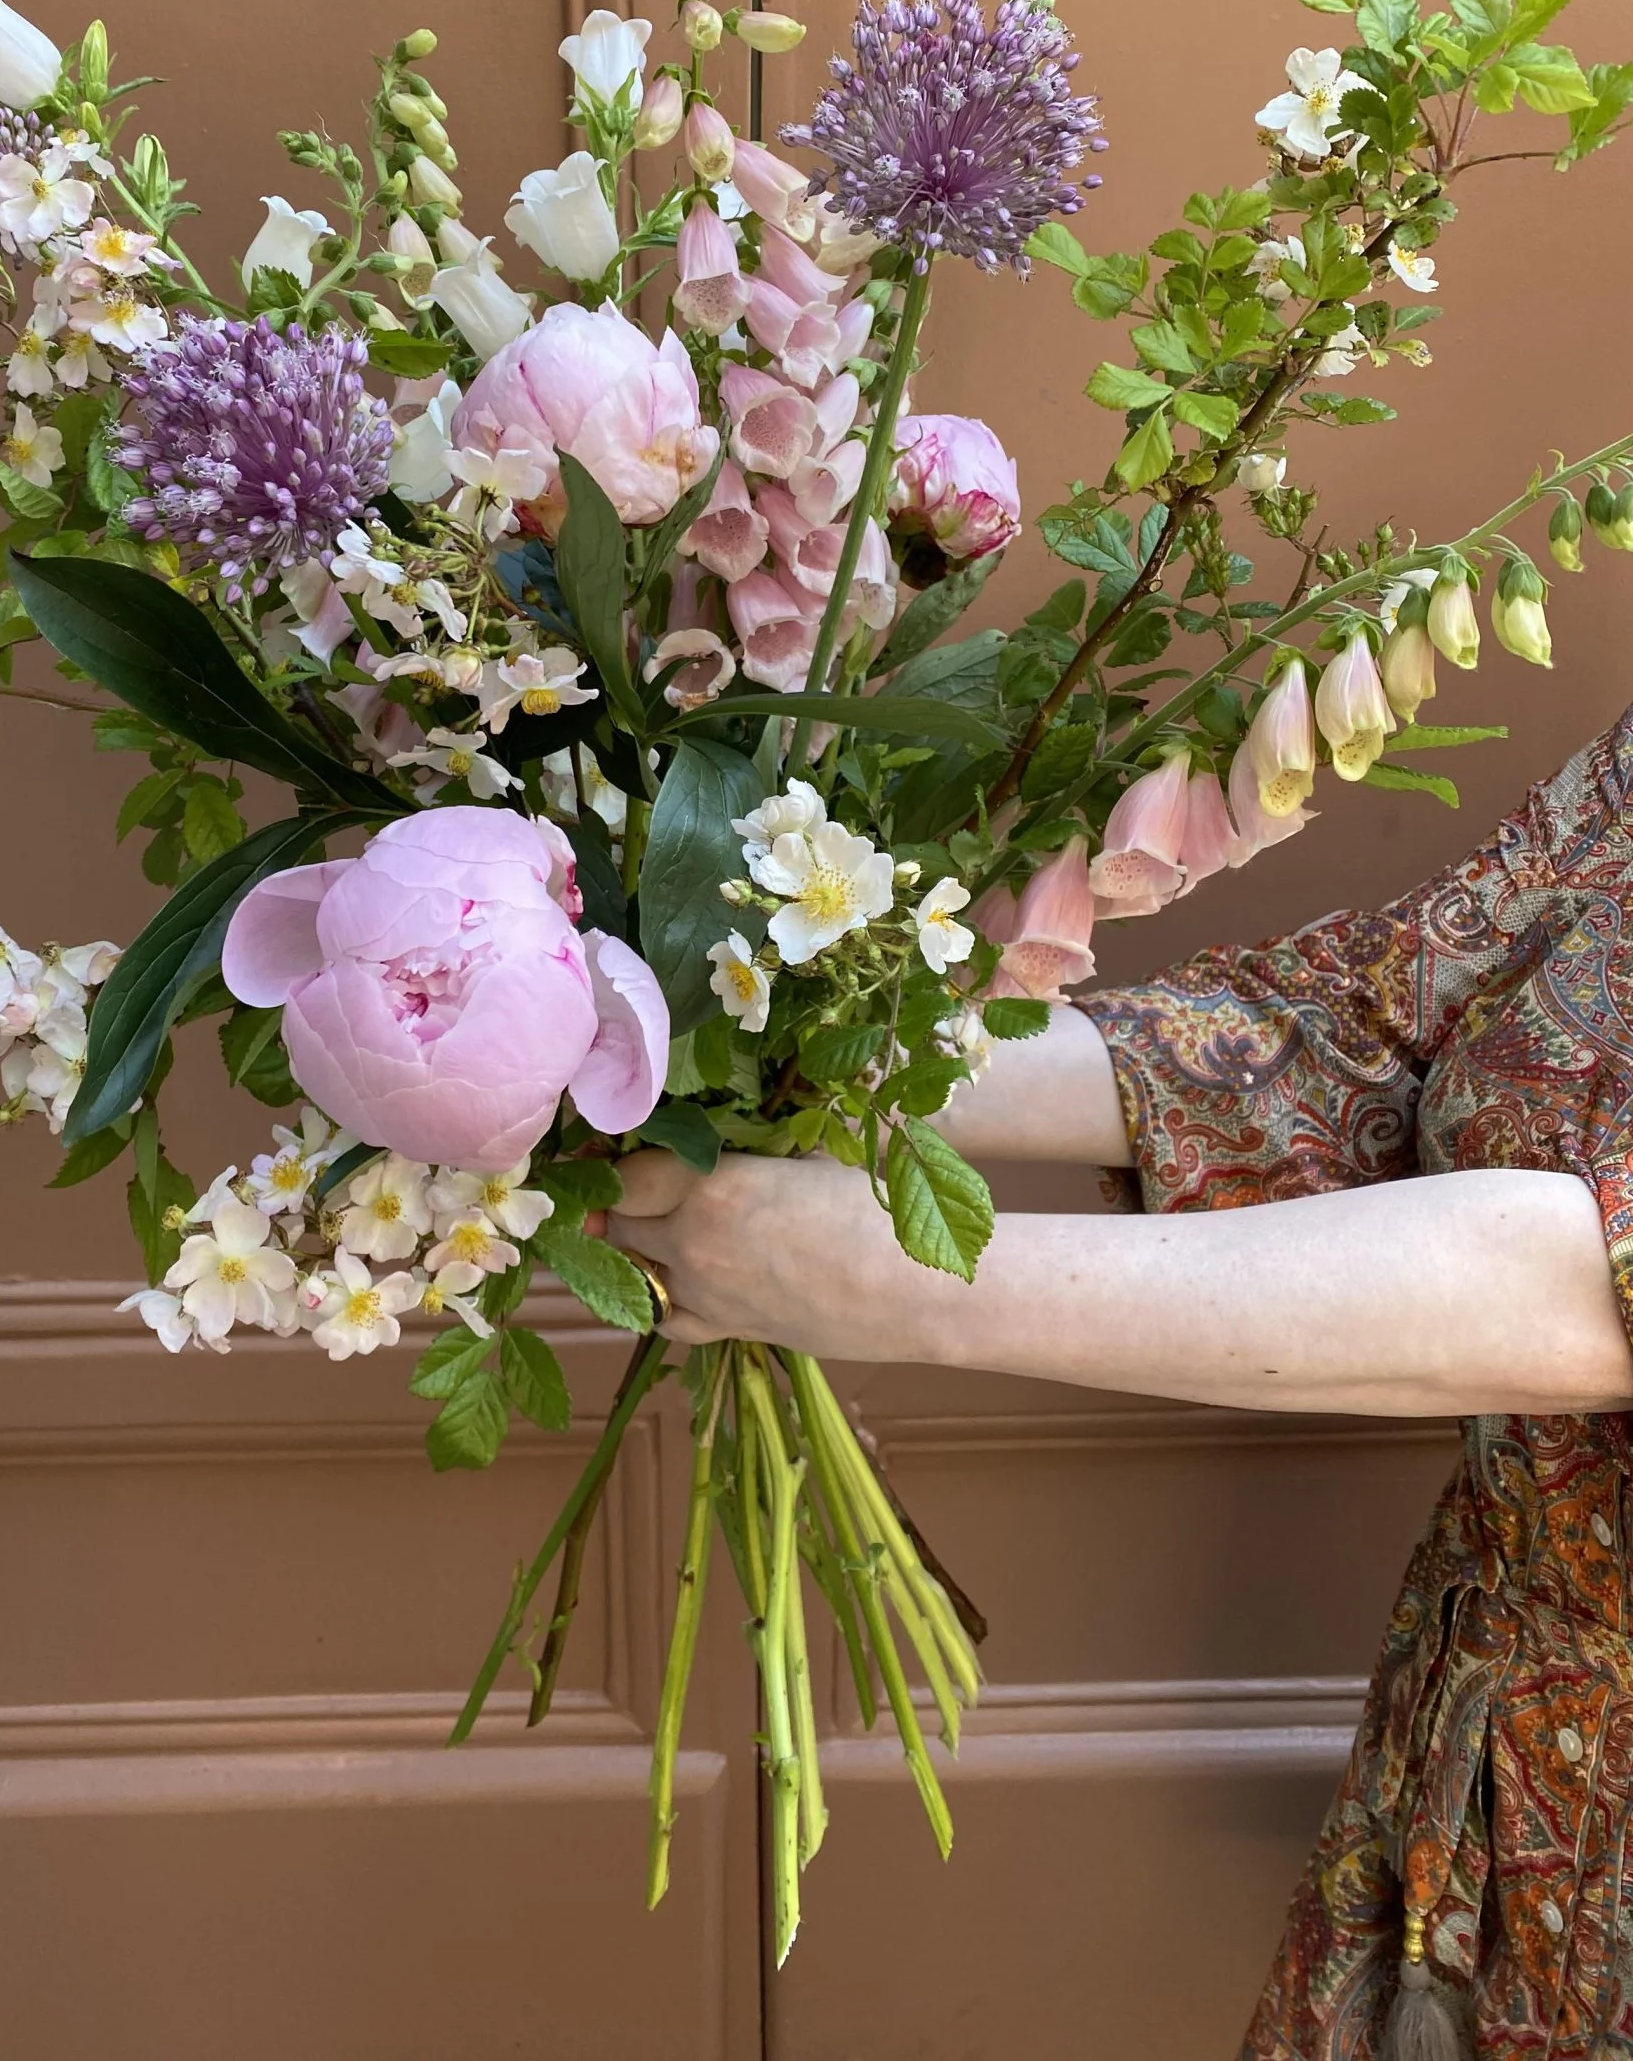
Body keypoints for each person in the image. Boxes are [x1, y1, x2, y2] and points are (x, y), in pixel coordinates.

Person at [606, 708, 1633, 2059]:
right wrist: (810, 1059)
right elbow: (1379, 1019)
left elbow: (1589, 1279)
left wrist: (881, 1275)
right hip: (1488, 1756)